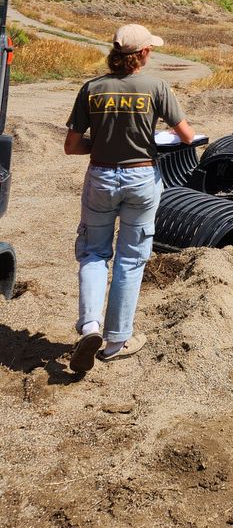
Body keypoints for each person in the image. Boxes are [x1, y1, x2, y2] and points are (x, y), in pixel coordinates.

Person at [64, 23, 195, 373]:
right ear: (143, 54)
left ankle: (89, 326)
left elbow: (72, 146)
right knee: (130, 260)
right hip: (141, 178)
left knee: (93, 253)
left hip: (101, 176)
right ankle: (117, 341)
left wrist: (105, 144)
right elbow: (187, 136)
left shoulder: (91, 89)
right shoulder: (156, 87)